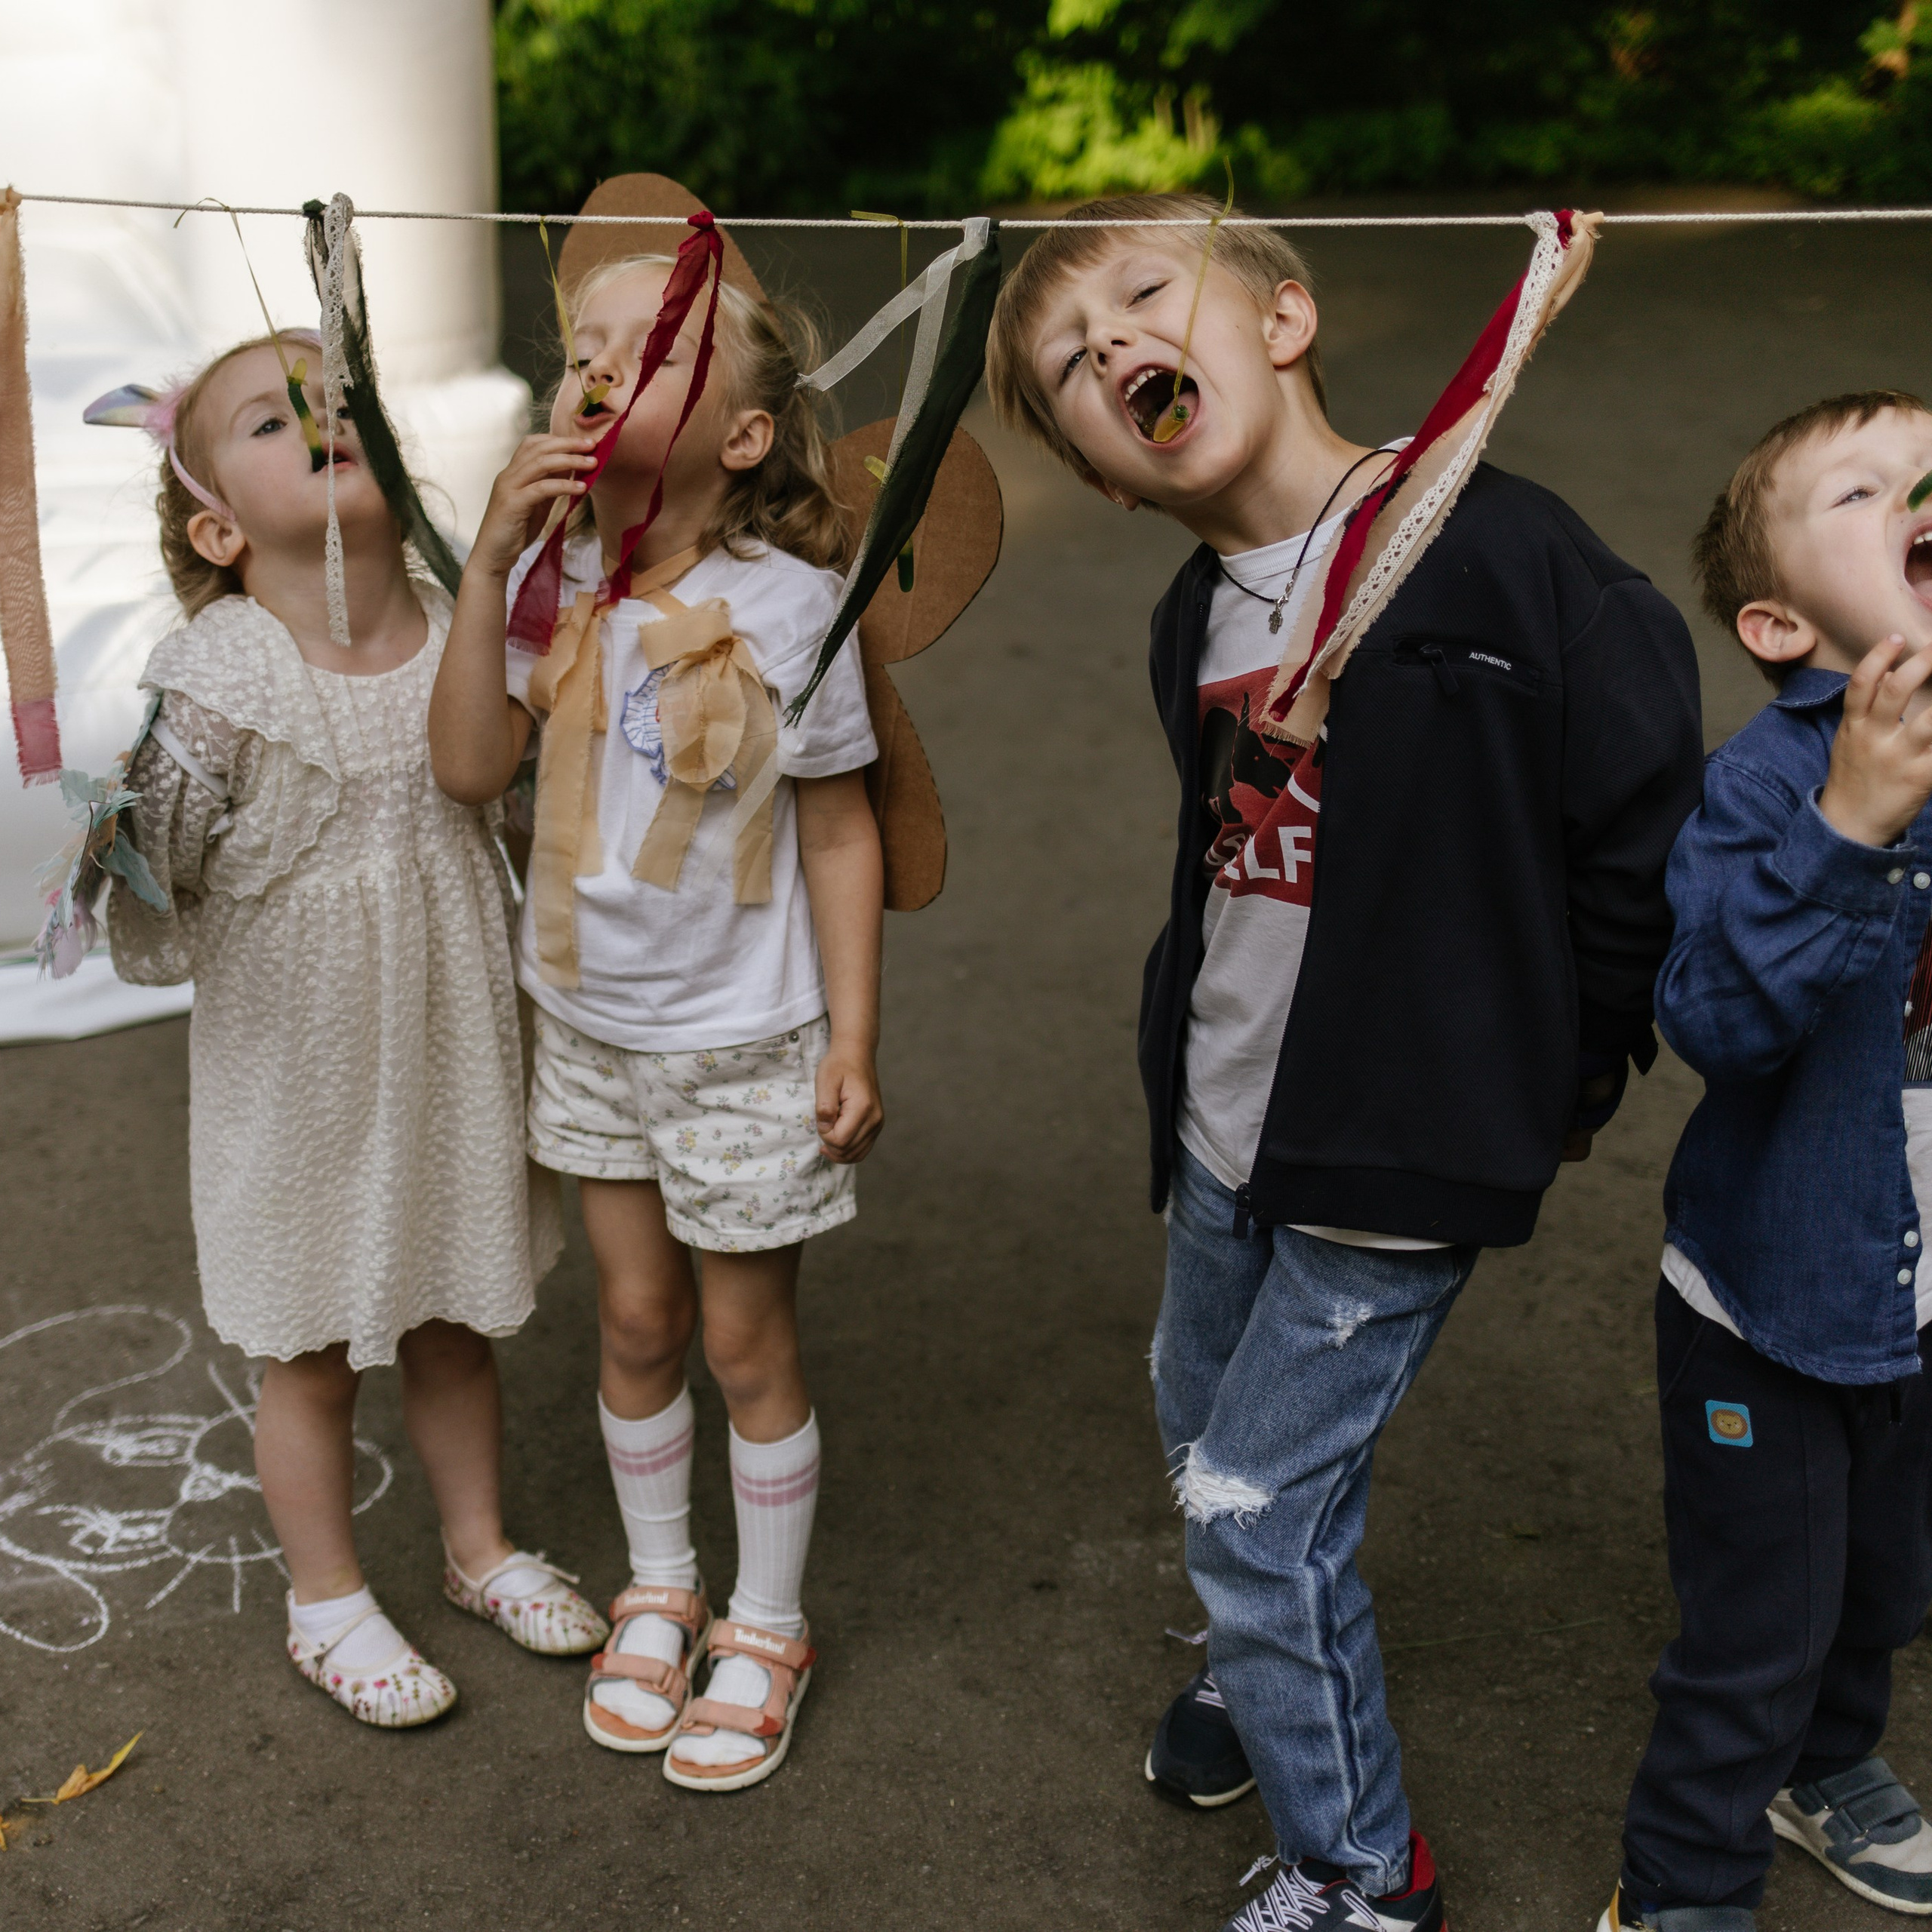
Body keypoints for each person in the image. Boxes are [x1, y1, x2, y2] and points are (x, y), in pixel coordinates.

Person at [984, 192, 1705, 1932]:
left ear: (1281, 317)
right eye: (1076, 369)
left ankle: (1361, 1869)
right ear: (1100, 473)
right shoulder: (1193, 620)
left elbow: (1634, 814)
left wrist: (1567, 1063)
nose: (1119, 351)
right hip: (1230, 1115)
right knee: (1201, 1429)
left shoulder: (1492, 547)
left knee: (1250, 1504)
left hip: (1404, 1132)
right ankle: (1261, 1654)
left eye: (1146, 299)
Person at [429, 253, 883, 1792]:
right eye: (580, 347)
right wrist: (488, 561)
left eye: (650, 346)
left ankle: (765, 1619)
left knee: (747, 1341)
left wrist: (851, 1038)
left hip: (744, 1041)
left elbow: (838, 829)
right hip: (588, 1028)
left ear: (744, 437)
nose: (597, 366)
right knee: (632, 1321)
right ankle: (659, 1586)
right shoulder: (551, 582)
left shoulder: (794, 604)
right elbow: (467, 769)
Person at [106, 332, 602, 1730]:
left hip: (444, 1034)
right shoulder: (222, 676)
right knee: (308, 1347)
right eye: (274, 420)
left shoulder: (461, 624)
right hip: (299, 1061)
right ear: (216, 522)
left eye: (342, 401)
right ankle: (323, 1599)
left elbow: (514, 806)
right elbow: (166, 865)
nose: (324, 421)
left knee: (453, 1317)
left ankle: (477, 1547)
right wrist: (115, 830)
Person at [1600, 392, 1932, 1932]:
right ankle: (1680, 1881)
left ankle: (1828, 1762)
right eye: (1863, 488)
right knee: (1760, 1621)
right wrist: (1849, 826)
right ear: (1780, 621)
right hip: (1768, 1299)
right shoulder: (1762, 783)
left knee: (1882, 1583)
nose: (1914, 488)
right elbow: (1715, 1020)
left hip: (1913, 1290)